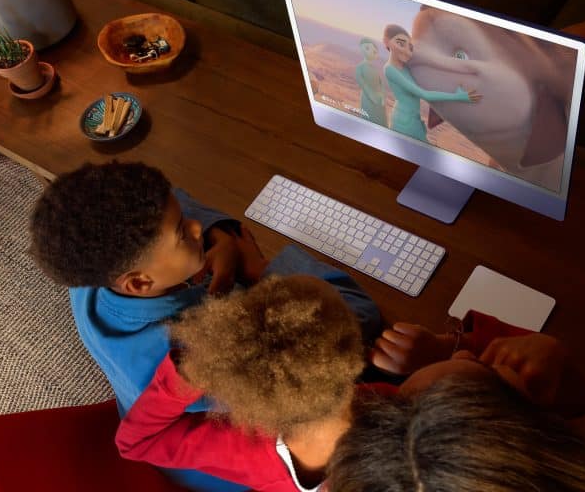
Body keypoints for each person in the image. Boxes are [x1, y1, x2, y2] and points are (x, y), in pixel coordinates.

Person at [28, 161, 382, 492]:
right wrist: (259, 269)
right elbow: (356, 318)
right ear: (138, 282)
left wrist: (221, 238)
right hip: (216, 468)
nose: (195, 226)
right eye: (184, 232)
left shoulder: (92, 271)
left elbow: (176, 199)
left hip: (157, 425)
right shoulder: (203, 356)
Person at [115, 274, 395, 492]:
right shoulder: (393, 406)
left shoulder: (240, 448)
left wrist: (190, 374)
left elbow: (134, 443)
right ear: (358, 353)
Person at [325, 313, 585, 492]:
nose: (469, 351)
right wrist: (565, 372)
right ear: (543, 432)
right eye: (487, 369)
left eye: (401, 403)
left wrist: (447, 350)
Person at [382, 24, 481, 142]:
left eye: (410, 47)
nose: (406, 51)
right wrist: (458, 96)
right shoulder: (390, 69)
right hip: (404, 122)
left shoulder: (405, 67)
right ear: (386, 42)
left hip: (413, 120)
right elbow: (425, 94)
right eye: (400, 44)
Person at [354, 37, 387, 126]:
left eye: (375, 51)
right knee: (368, 119)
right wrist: (371, 96)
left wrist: (383, 97)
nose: (371, 52)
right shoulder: (360, 67)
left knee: (380, 120)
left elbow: (381, 84)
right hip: (368, 98)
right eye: (367, 48)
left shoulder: (375, 69)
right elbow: (362, 84)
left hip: (379, 101)